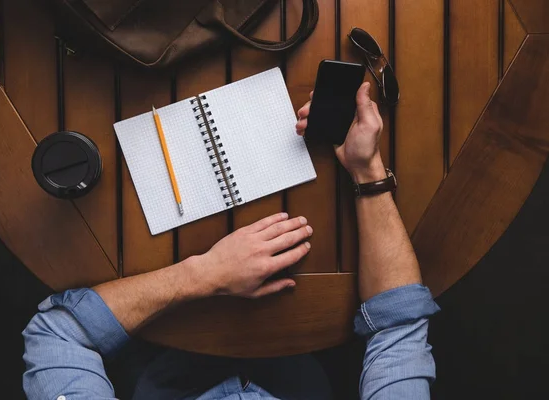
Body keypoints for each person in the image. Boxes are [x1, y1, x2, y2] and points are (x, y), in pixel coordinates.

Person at [23, 82, 439, 399]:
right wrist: (366, 170)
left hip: (163, 373)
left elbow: (56, 335)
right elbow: (398, 325)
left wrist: (202, 274)